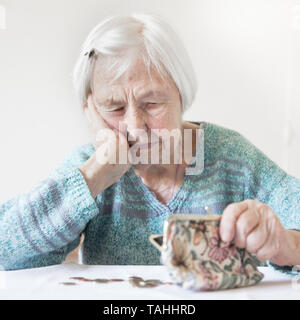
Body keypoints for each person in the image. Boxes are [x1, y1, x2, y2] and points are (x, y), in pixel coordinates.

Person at [1, 13, 300, 273]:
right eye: (115, 108)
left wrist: (287, 244)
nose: (135, 127)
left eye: (152, 103)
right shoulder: (90, 167)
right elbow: (6, 248)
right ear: (90, 109)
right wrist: (95, 175)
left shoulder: (231, 158)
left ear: (181, 96)